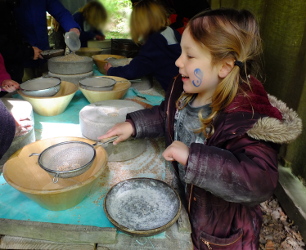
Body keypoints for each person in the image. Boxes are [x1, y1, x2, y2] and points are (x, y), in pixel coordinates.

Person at [99, 8, 302, 249]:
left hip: (217, 233)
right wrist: (134, 125)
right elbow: (166, 114)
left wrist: (193, 159)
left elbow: (259, 182)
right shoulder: (185, 91)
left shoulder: (245, 118)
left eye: (190, 56)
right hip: (187, 204)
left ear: (224, 66)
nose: (177, 61)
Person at [104, 0, 181, 91]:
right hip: (181, 85)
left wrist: (111, 71)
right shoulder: (169, 31)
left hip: (175, 92)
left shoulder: (155, 41)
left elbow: (134, 70)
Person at [13, 0, 81, 79]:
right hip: (19, 59)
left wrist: (72, 28)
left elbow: (60, 12)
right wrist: (27, 50)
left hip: (43, 54)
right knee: (25, 87)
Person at [0, 0, 41, 90]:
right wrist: (29, 52)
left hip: (11, 74)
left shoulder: (9, 6)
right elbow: (3, 45)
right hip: (13, 65)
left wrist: (3, 80)